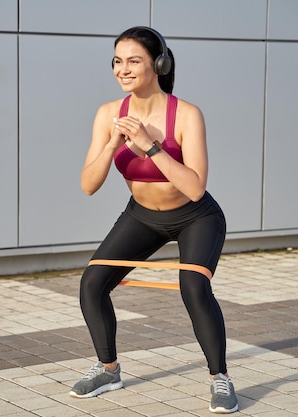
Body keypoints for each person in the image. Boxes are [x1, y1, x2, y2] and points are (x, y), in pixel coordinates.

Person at [68, 26, 239, 414]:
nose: (122, 69)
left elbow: (195, 188)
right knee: (92, 283)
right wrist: (113, 144)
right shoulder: (108, 114)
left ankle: (220, 378)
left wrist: (151, 147)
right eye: (117, 61)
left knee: (193, 287)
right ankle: (108, 369)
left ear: (158, 64)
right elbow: (88, 185)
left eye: (133, 61)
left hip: (196, 216)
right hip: (142, 216)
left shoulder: (187, 114)